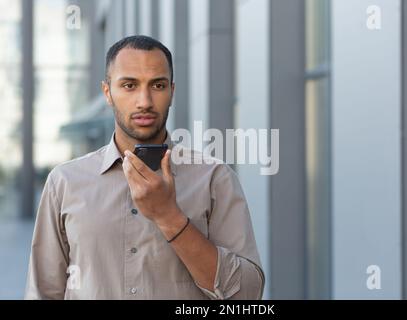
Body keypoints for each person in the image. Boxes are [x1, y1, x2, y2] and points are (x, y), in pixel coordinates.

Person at [25, 35, 264, 300]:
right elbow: (44, 292)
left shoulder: (214, 178)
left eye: (158, 85)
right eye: (129, 85)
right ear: (107, 93)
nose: (145, 101)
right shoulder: (64, 182)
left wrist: (168, 216)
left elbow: (247, 295)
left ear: (172, 91)